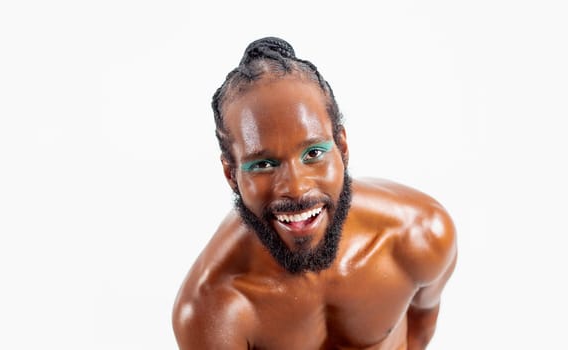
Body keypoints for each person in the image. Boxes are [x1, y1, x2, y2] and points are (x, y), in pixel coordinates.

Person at [172, 37, 457, 350]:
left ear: (342, 148)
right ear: (232, 175)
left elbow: (420, 330)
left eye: (313, 153)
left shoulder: (420, 234)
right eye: (264, 164)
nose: (296, 188)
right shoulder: (213, 309)